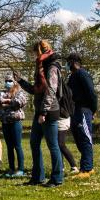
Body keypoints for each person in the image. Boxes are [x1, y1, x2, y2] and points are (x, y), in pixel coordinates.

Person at [15, 40, 63, 187]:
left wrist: (43, 112)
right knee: (34, 142)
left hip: (49, 111)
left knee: (53, 145)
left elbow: (51, 91)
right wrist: (21, 81)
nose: (34, 55)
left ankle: (57, 179)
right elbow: (36, 90)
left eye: (36, 52)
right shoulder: (42, 66)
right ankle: (37, 177)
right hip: (40, 111)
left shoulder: (52, 66)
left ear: (41, 51)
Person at [66, 53, 98, 178]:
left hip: (83, 110)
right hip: (75, 111)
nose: (67, 65)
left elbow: (91, 93)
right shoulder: (72, 76)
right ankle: (88, 165)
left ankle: (86, 169)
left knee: (85, 139)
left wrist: (93, 109)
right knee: (79, 139)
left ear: (73, 62)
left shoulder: (82, 74)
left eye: (68, 62)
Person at [0, 74, 27, 178]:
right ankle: (11, 168)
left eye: (10, 81)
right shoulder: (1, 92)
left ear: (14, 82)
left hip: (15, 122)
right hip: (5, 122)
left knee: (17, 145)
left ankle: (21, 169)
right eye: (6, 80)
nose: (8, 82)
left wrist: (7, 101)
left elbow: (20, 102)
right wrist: (6, 101)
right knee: (9, 147)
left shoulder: (20, 92)